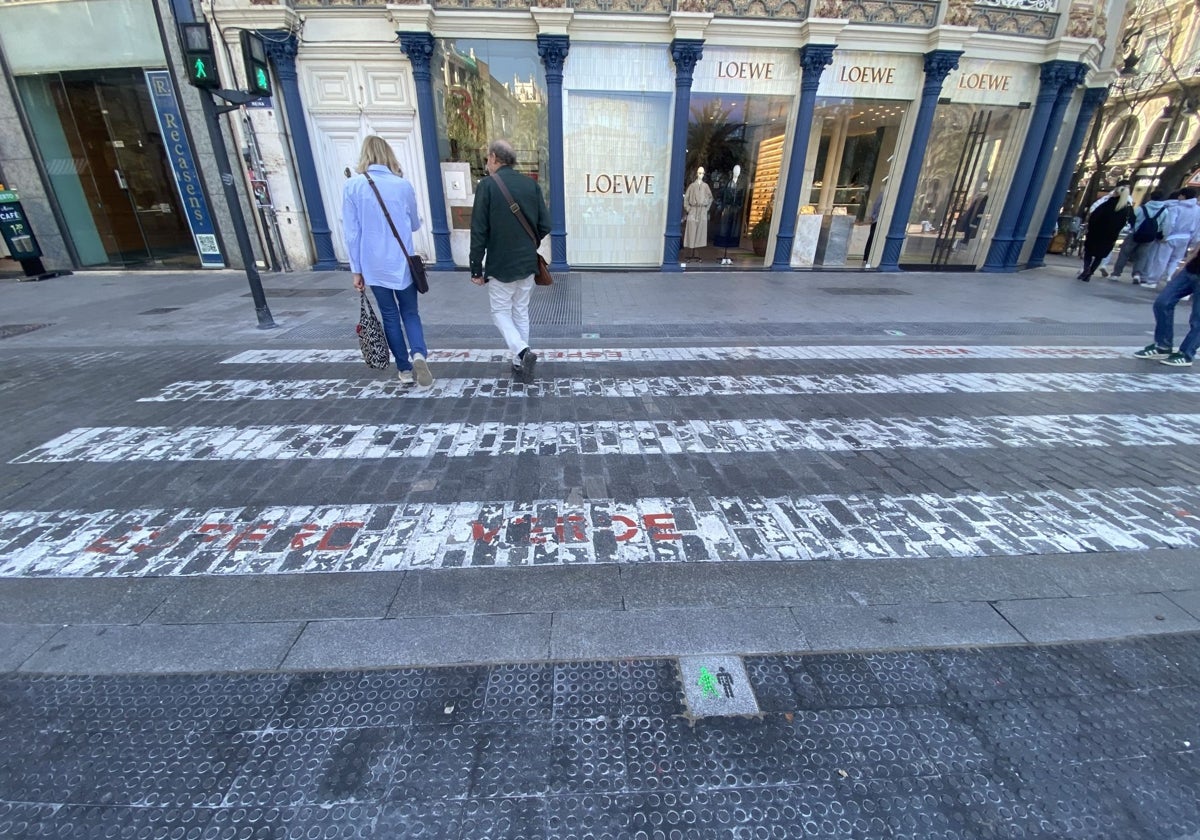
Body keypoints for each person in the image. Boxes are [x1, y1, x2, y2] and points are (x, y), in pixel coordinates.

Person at [343, 135, 432, 387]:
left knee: (389, 316)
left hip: (372, 264)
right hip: (401, 263)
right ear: (388, 156)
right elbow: (414, 223)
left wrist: (356, 270)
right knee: (410, 313)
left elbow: (351, 233)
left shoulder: (352, 187)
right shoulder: (402, 186)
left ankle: (404, 370)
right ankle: (418, 353)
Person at [470, 139, 550, 383]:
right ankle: (519, 361)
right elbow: (546, 224)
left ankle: (523, 352)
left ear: (494, 157)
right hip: (527, 263)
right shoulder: (530, 185)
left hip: (500, 265)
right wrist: (529, 243)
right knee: (521, 311)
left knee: (500, 312)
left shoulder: (487, 186)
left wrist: (475, 267)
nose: (487, 163)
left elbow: (479, 230)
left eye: (487, 158)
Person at [1133, 245, 1200, 367]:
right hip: (1192, 269)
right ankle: (1163, 345)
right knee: (1163, 302)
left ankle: (1186, 354)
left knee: (1198, 318)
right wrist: (1187, 262)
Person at [1145, 188, 1200, 290]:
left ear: (1183, 196)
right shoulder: (1197, 210)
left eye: (1180, 195)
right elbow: (1197, 227)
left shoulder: (1176, 208)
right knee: (1176, 260)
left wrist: (1165, 235)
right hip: (1186, 237)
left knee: (1161, 259)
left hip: (1171, 237)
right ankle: (1169, 278)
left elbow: (1170, 223)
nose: (1179, 197)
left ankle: (1152, 281)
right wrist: (1193, 241)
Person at [1078, 185, 1134, 281]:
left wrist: (1090, 227)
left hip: (1096, 233)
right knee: (1099, 256)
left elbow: (1094, 216)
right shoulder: (1125, 209)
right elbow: (1124, 223)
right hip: (1110, 236)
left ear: (1116, 193)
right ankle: (1090, 273)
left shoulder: (1107, 204)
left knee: (1088, 253)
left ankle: (1086, 269)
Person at [1110, 190, 1167, 284]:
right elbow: (1164, 225)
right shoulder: (1164, 211)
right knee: (1142, 256)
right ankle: (1137, 274)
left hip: (1135, 234)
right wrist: (1161, 234)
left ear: (1150, 197)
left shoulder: (1142, 208)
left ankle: (1116, 274)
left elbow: (1133, 219)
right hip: (1150, 237)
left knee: (1124, 254)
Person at [683, 167, 713, 258]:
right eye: (699, 173)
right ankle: (690, 251)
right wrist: (688, 209)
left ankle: (696, 251)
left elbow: (710, 198)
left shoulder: (706, 186)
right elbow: (686, 198)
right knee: (691, 230)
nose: (701, 175)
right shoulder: (692, 186)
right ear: (697, 173)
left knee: (700, 231)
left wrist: (706, 208)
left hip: (702, 211)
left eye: (702, 173)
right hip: (693, 209)